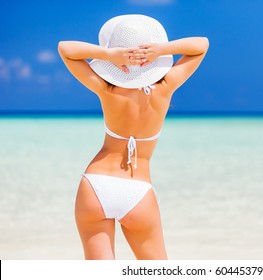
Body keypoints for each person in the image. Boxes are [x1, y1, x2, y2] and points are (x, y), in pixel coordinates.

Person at [58, 14, 208, 260]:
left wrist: (111, 55)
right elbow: (201, 45)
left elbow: (65, 48)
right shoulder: (166, 87)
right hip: (137, 189)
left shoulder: (107, 88)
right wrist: (161, 50)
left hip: (95, 185)